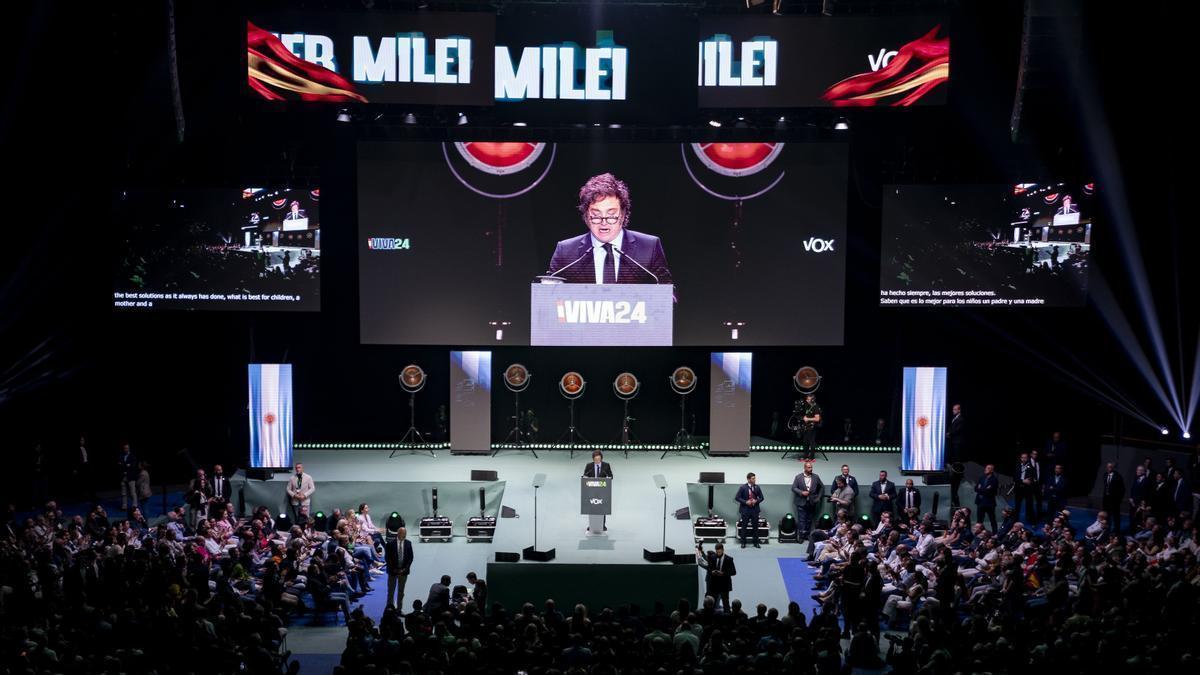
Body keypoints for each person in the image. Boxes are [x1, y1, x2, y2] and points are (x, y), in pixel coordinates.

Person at [545, 173, 673, 285]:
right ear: (586, 217)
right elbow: (549, 295)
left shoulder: (649, 247)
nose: (604, 223)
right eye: (596, 216)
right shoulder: (566, 252)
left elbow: (668, 295)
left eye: (611, 215)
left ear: (622, 215)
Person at [696, 542, 735, 612]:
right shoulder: (712, 557)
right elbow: (708, 565)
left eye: (719, 552)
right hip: (713, 584)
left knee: (725, 602)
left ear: (723, 550)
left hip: (724, 585)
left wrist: (723, 573)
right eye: (716, 552)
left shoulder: (729, 559)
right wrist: (711, 572)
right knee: (712, 601)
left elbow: (733, 572)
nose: (718, 554)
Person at [791, 461, 823, 542]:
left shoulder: (816, 477)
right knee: (802, 520)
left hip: (812, 502)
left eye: (811, 467)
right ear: (805, 468)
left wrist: (818, 498)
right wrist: (801, 492)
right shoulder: (798, 477)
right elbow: (793, 488)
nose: (811, 469)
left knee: (809, 520)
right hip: (801, 502)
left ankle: (807, 535)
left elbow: (822, 487)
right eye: (809, 467)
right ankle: (801, 536)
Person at [383, 526, 413, 611]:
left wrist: (405, 569)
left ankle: (399, 609)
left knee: (401, 592)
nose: (405, 535)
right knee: (391, 591)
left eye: (405, 534)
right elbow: (387, 558)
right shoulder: (390, 544)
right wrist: (394, 569)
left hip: (403, 572)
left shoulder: (408, 543)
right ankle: (389, 609)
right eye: (403, 534)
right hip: (392, 571)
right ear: (398, 534)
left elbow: (410, 558)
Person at [583, 450, 613, 532]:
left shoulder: (606, 465)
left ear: (601, 459)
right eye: (595, 460)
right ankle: (591, 524)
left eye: (599, 459)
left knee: (602, 508)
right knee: (592, 506)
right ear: (593, 459)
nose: (597, 461)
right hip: (591, 490)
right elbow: (585, 476)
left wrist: (608, 478)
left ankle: (602, 525)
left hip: (603, 490)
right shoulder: (589, 466)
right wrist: (585, 478)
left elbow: (610, 476)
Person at [734, 472, 765, 548]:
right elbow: (737, 497)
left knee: (755, 527)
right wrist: (745, 502)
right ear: (748, 479)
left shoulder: (757, 487)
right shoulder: (742, 487)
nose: (755, 480)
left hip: (755, 510)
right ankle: (743, 542)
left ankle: (756, 542)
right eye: (753, 478)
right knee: (744, 526)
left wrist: (756, 501)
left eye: (755, 478)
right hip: (745, 510)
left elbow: (762, 498)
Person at [947, 404, 965, 506]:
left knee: (957, 457)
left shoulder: (961, 419)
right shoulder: (955, 418)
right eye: (953, 409)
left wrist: (949, 433)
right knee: (954, 455)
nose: (953, 411)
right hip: (953, 441)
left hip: (958, 441)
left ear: (959, 410)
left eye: (954, 409)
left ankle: (957, 471)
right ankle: (954, 467)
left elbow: (957, 430)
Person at [1014, 452, 1037, 524]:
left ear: (1027, 458)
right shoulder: (1017, 466)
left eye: (1025, 457)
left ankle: (1032, 522)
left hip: (1028, 489)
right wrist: (1023, 481)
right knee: (1017, 505)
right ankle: (1015, 520)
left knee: (1030, 505)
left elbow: (1033, 478)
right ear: (1020, 458)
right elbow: (1015, 478)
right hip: (1019, 488)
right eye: (1022, 457)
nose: (1024, 459)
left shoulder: (1031, 467)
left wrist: (1030, 481)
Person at [1100, 462, 1124, 531]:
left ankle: (1117, 531)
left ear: (1113, 468)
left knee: (1116, 516)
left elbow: (1122, 489)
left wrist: (1119, 500)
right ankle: (1107, 530)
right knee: (1107, 516)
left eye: (1110, 467)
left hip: (1114, 501)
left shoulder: (1118, 476)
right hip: (1106, 500)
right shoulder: (1105, 475)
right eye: (1108, 467)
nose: (1109, 468)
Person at [798, 393, 822, 460]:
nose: (807, 400)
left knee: (811, 442)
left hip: (813, 427)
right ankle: (805, 456)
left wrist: (808, 419)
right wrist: (805, 417)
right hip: (807, 426)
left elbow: (817, 419)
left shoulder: (816, 407)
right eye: (807, 399)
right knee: (805, 442)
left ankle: (812, 457)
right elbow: (808, 414)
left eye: (808, 399)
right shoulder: (808, 406)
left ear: (813, 400)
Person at [976, 464, 999, 531]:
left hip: (989, 503)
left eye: (988, 468)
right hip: (980, 502)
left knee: (992, 520)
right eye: (986, 468)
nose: (985, 469)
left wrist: (980, 489)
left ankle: (995, 533)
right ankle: (978, 533)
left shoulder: (994, 480)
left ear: (992, 470)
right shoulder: (982, 478)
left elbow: (990, 491)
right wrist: (984, 489)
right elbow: (976, 488)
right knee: (979, 520)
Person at [1128, 463, 1150, 533]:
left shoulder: (1146, 481)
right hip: (1133, 503)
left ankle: (1136, 534)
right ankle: (1131, 533)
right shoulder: (1136, 479)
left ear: (1143, 472)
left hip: (1140, 504)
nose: (1137, 471)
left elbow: (1145, 494)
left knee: (1138, 520)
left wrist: (1141, 505)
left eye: (1139, 470)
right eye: (1137, 470)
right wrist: (1131, 498)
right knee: (1131, 518)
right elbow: (1132, 489)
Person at [118, 443, 139, 512]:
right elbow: (120, 465)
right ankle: (124, 506)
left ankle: (135, 505)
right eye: (125, 448)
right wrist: (126, 465)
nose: (126, 449)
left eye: (127, 448)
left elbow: (133, 465)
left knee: (132, 492)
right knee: (123, 493)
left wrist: (126, 465)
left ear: (129, 448)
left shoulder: (132, 456)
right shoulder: (121, 456)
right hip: (123, 476)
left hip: (130, 476)